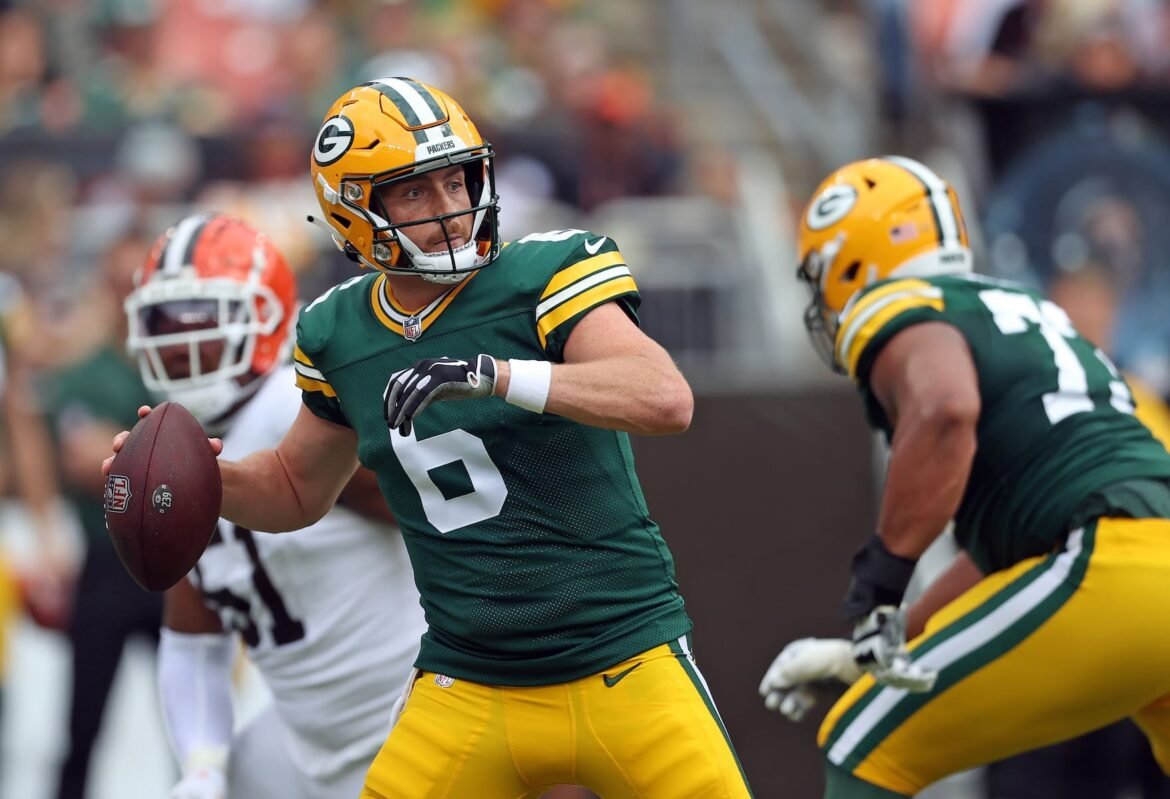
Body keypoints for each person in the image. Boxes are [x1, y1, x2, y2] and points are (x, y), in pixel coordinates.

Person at [107, 77, 750, 799]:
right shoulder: (338, 331)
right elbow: (294, 488)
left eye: (456, 179)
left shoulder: (544, 272)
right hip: (471, 683)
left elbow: (663, 397)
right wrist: (191, 476)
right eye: (414, 191)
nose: (449, 208)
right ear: (352, 211)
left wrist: (497, 375)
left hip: (624, 658)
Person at [757, 156, 1170, 798]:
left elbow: (946, 408)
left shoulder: (897, 305)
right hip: (1137, 552)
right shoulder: (1024, 309)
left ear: (854, 257)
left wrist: (879, 584)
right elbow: (1010, 548)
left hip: (1109, 562)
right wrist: (876, 645)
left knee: (860, 746)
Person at [123, 213, 427, 798]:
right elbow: (193, 642)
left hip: (412, 714)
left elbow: (452, 519)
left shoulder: (301, 409)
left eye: (201, 316)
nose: (180, 339)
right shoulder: (169, 445)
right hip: (304, 739)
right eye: (164, 320)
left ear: (267, 318)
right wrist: (203, 767)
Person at [45, 229, 164, 799]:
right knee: (81, 728)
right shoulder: (85, 373)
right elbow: (82, 464)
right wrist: (162, 462)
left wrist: (123, 453)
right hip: (105, 563)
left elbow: (109, 464)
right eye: (120, 283)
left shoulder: (181, 369)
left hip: (175, 568)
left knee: (196, 733)